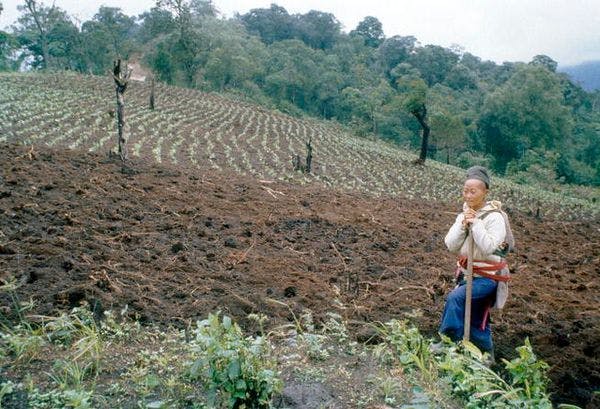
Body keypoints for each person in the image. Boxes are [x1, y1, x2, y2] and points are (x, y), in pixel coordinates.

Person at [436, 166, 513, 358]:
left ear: (485, 192)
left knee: (456, 299)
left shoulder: (495, 218)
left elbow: (489, 247)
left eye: (473, 191)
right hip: (467, 274)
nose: (468, 196)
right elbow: (450, 245)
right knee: (478, 317)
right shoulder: (464, 214)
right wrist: (463, 225)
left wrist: (476, 224)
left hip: (487, 278)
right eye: (465, 191)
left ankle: (448, 341)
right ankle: (486, 355)